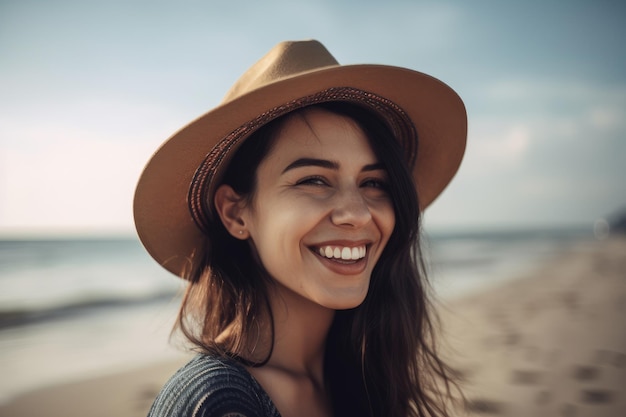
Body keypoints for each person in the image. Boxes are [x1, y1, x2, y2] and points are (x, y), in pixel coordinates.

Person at [134, 39, 467, 417]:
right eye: (314, 180)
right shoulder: (217, 404)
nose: (357, 214)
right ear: (235, 214)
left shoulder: (367, 376)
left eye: (374, 183)